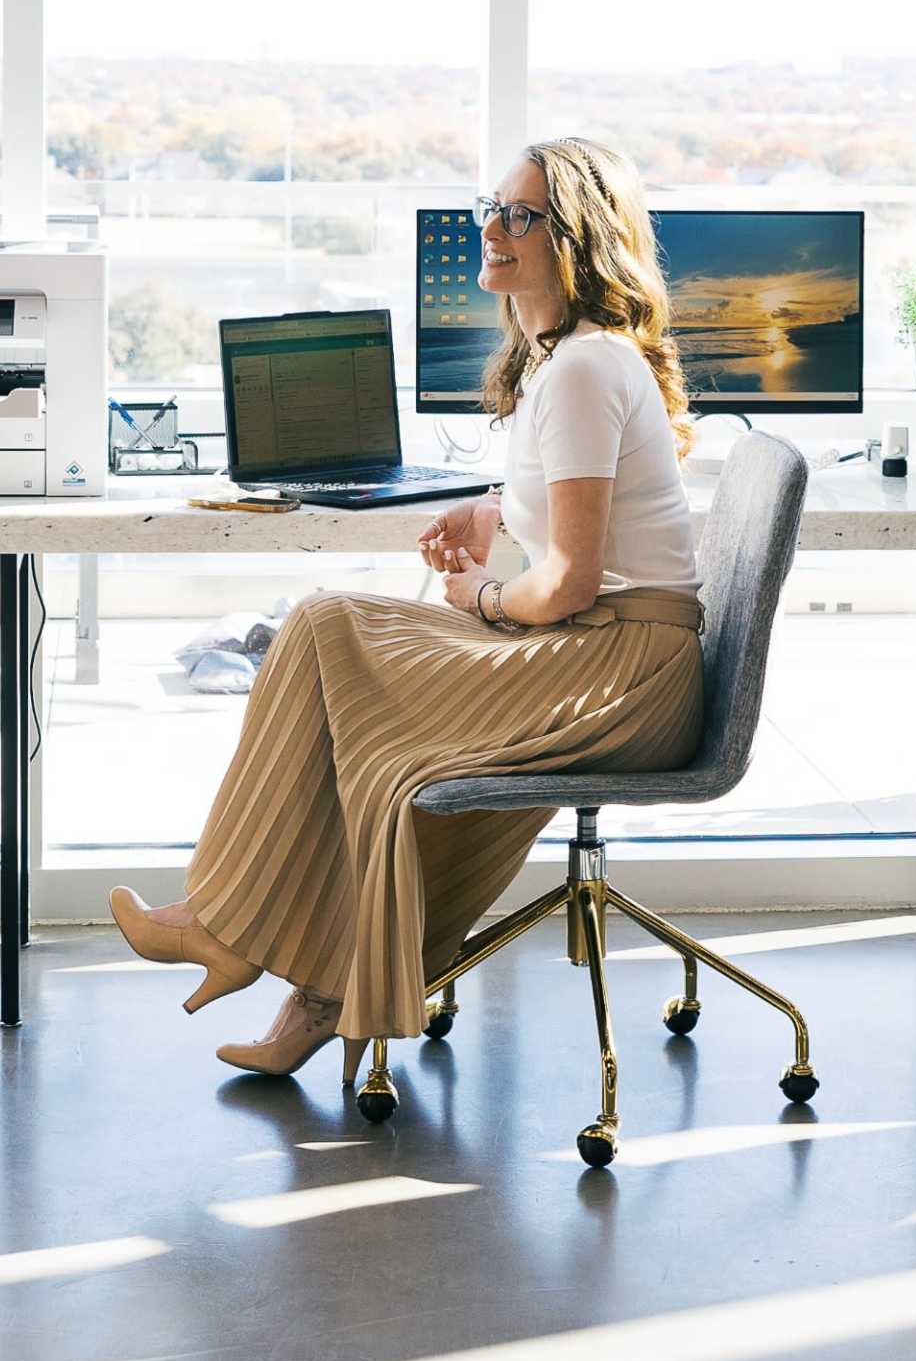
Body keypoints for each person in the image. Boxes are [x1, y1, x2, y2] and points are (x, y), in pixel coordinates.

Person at [106, 138, 708, 1073]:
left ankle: (237, 935)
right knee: (336, 664)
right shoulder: (566, 361)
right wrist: (492, 509)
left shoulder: (585, 370)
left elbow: (572, 582)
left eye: (521, 215)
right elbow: (586, 527)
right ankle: (289, 971)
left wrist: (483, 595)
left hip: (621, 669)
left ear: (579, 238)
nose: (493, 228)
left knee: (329, 639)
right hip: (606, 649)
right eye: (492, 207)